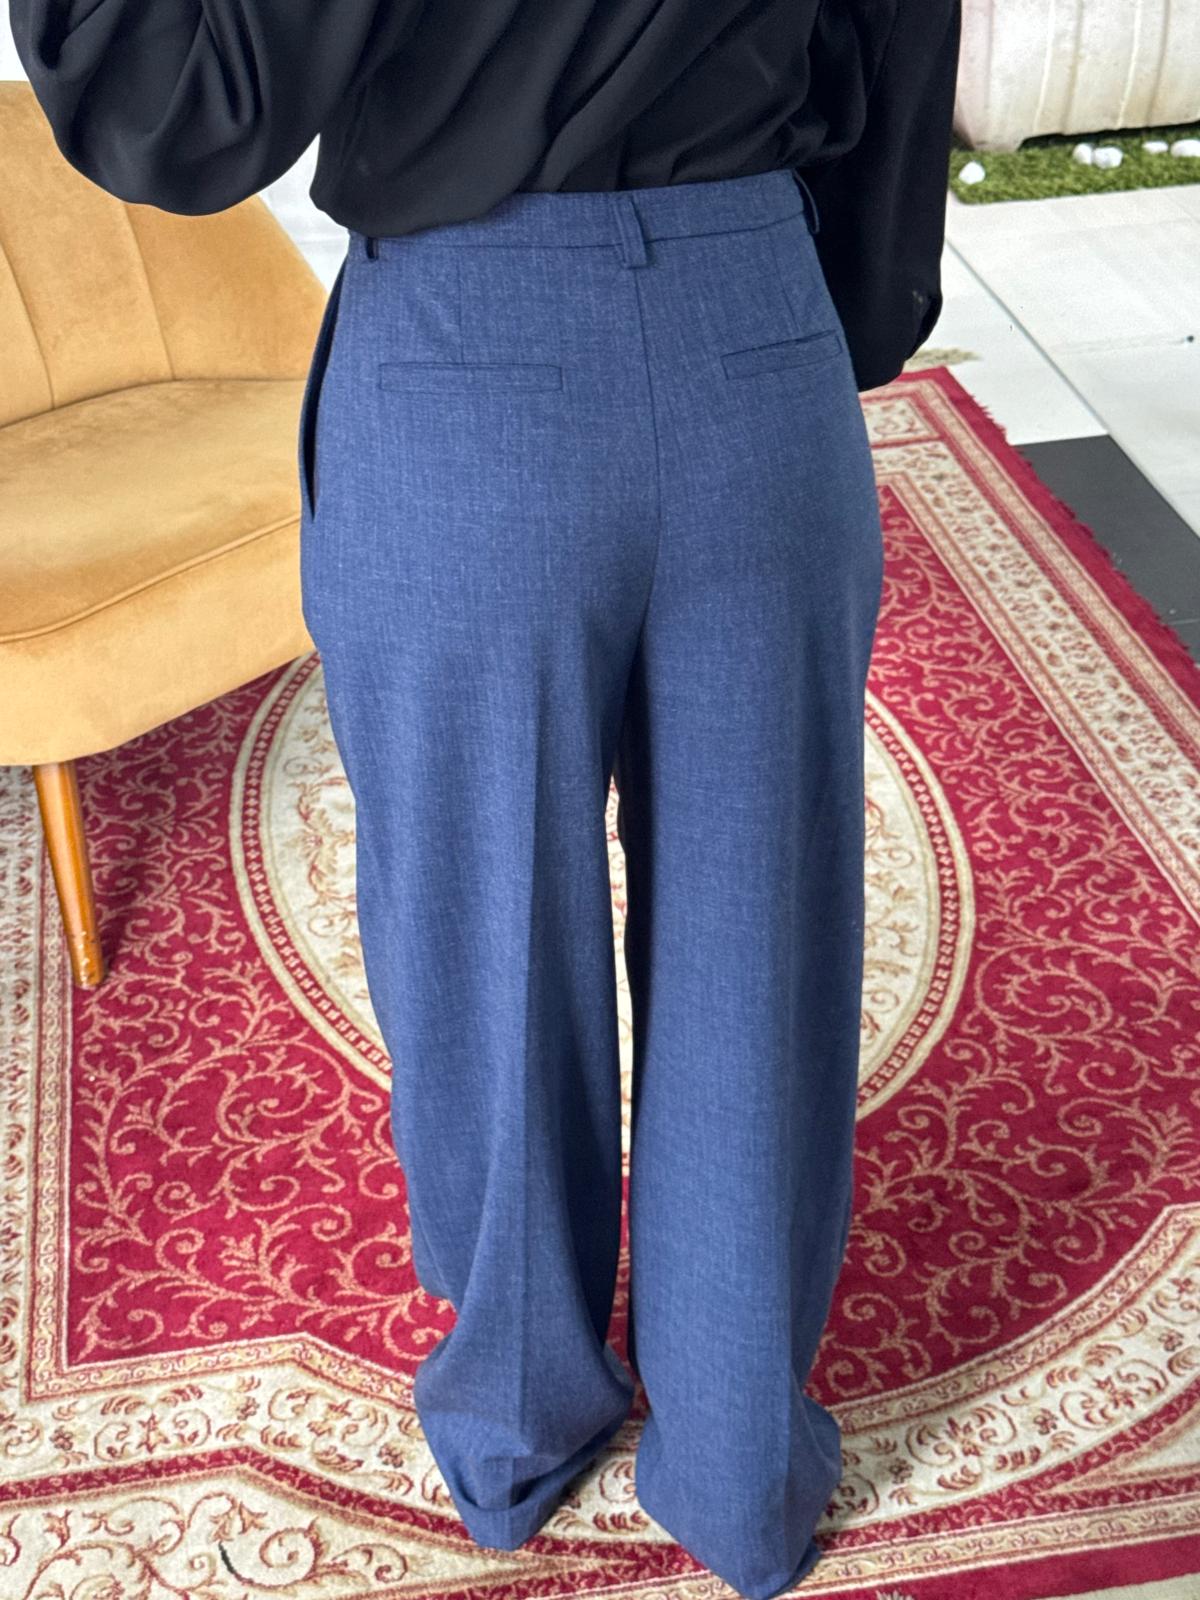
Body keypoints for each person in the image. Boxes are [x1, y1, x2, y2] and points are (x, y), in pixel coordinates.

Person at [10, 3, 962, 1595]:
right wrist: (827, 310)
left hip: (470, 347)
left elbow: (177, 109)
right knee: (760, 941)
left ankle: (521, 1421)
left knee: (480, 940)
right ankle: (739, 1464)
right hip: (757, 332)